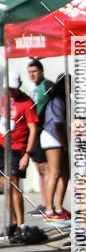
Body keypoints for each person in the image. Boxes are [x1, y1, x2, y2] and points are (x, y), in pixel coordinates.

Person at [0, 70, 38, 241]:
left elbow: (33, 129)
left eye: (14, 89)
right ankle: (13, 222)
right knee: (6, 187)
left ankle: (21, 223)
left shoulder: (26, 102)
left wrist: (27, 154)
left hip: (18, 148)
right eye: (9, 89)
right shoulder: (4, 99)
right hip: (2, 145)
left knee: (13, 185)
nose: (11, 92)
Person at [41, 74, 70, 220]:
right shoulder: (57, 101)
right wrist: (65, 145)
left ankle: (58, 207)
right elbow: (58, 126)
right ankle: (49, 208)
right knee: (54, 173)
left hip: (58, 139)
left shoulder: (65, 100)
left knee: (65, 174)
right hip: (53, 139)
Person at [26, 57, 53, 216]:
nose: (32, 75)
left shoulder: (47, 85)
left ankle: (49, 203)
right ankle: (44, 203)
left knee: (47, 169)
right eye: (29, 72)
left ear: (41, 71)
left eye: (35, 71)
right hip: (34, 132)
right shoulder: (34, 88)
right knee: (40, 170)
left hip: (44, 131)